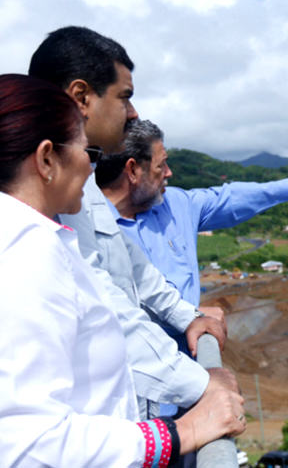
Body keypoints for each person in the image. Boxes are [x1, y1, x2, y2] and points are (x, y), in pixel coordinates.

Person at [0, 73, 246, 466]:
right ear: (47, 159)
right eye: (88, 153)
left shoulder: (39, 237)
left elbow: (132, 268)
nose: (91, 170)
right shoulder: (25, 255)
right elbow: (25, 442)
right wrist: (181, 432)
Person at [28, 26, 235, 419]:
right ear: (81, 97)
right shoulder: (38, 196)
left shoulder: (83, 183)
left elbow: (132, 266)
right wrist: (200, 384)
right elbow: (103, 301)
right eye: (125, 97)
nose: (134, 113)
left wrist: (188, 316)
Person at [95, 118, 288, 415]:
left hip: (192, 388)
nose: (169, 173)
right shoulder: (87, 229)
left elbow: (227, 198)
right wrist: (190, 313)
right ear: (132, 170)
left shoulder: (174, 205)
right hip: (135, 404)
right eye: (161, 166)